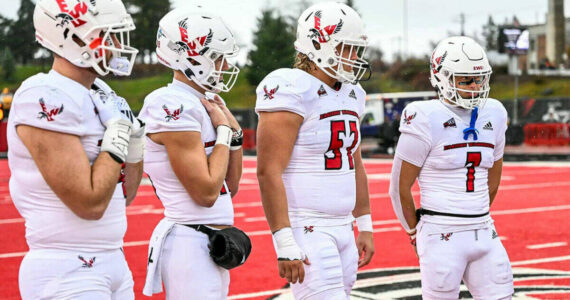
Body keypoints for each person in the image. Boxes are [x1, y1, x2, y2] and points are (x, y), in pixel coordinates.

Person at [7, 0, 144, 299]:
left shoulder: (102, 93)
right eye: (109, 34)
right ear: (73, 36)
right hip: (66, 268)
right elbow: (90, 204)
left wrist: (135, 140)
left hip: (114, 260)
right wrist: (119, 132)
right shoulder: (43, 95)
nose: (117, 44)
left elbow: (127, 193)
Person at [255, 2, 375, 299]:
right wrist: (284, 241)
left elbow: (354, 163)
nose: (355, 58)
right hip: (307, 226)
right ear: (319, 43)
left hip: (343, 226)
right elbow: (268, 170)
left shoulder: (353, 93)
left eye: (356, 49)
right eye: (347, 48)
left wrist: (365, 224)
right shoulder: (291, 87)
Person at [389, 36, 513, 300]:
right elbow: (399, 187)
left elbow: (494, 176)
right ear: (442, 78)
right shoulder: (423, 116)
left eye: (479, 79)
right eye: (466, 80)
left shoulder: (494, 112)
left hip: (483, 227)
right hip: (441, 231)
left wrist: (476, 212)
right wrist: (414, 232)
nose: (475, 86)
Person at [141, 7, 248, 300]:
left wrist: (234, 137)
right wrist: (224, 134)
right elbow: (205, 193)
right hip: (190, 240)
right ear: (188, 56)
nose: (224, 65)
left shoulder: (206, 101)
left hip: (209, 241)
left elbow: (230, 186)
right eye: (216, 57)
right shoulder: (170, 104)